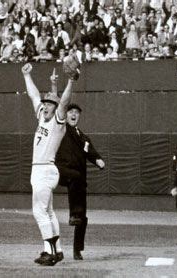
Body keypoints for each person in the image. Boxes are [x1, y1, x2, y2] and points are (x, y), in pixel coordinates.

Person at [21, 56, 80, 266]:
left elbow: (63, 102)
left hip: (45, 170)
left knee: (38, 211)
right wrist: (27, 75)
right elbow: (33, 95)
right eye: (45, 104)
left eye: (49, 104)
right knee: (48, 211)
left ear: (55, 108)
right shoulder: (42, 117)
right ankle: (59, 250)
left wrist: (71, 81)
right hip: (42, 170)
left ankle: (49, 251)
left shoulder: (57, 120)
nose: (45, 106)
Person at [55, 103, 105, 260]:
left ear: (79, 116)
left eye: (76, 112)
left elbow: (92, 153)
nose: (74, 114)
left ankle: (77, 250)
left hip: (78, 178)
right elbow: (60, 112)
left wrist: (98, 160)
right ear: (66, 114)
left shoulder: (84, 138)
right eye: (71, 111)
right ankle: (73, 214)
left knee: (82, 216)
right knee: (75, 177)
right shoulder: (62, 129)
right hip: (62, 170)